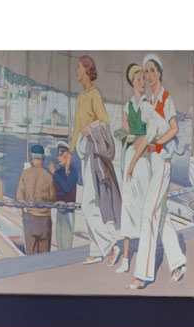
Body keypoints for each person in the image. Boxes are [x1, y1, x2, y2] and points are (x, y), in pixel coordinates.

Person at [126, 54, 186, 289]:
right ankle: (179, 263)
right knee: (161, 216)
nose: (148, 75)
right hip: (153, 162)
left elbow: (174, 129)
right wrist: (132, 163)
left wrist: (160, 142)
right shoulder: (151, 102)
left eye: (152, 71)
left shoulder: (165, 99)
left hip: (163, 163)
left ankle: (143, 274)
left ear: (159, 73)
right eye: (146, 71)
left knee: (148, 214)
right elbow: (144, 137)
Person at [69, 54, 121, 264]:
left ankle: (110, 245)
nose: (76, 72)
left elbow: (105, 123)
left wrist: (89, 129)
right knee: (91, 202)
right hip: (83, 154)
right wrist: (69, 153)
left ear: (86, 71)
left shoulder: (95, 95)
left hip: (94, 153)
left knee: (88, 203)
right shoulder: (80, 98)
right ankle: (96, 250)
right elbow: (75, 128)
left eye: (79, 68)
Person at [111, 63, 148, 273]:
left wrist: (139, 137)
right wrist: (128, 136)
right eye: (139, 79)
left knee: (142, 204)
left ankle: (143, 255)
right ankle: (125, 258)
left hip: (144, 157)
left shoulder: (148, 103)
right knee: (127, 207)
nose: (142, 83)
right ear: (132, 83)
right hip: (130, 154)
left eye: (144, 78)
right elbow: (125, 131)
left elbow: (149, 132)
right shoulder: (127, 106)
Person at [16, 144, 55, 254]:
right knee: (44, 256)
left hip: (30, 219)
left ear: (32, 158)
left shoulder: (25, 174)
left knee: (31, 254)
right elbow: (52, 199)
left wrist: (23, 214)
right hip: (45, 220)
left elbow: (20, 197)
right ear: (43, 159)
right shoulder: (48, 176)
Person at [47, 141, 81, 252]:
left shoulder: (72, 171)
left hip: (68, 211)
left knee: (66, 244)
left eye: (61, 154)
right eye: (58, 154)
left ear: (68, 155)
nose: (58, 157)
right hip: (60, 211)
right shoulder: (59, 171)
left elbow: (66, 188)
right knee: (60, 242)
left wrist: (54, 174)